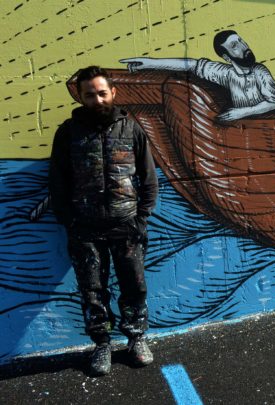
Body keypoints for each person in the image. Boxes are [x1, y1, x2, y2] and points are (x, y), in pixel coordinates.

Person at [49, 66, 158, 376]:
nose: (97, 99)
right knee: (92, 291)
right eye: (89, 94)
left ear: (113, 93)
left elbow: (149, 179)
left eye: (102, 92)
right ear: (80, 97)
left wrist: (142, 219)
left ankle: (136, 338)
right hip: (85, 229)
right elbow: (57, 182)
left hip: (127, 226)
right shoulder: (68, 133)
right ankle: (102, 344)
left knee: (134, 287)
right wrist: (70, 222)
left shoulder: (132, 129)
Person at [120, 30, 275, 122]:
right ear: (226, 57)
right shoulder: (226, 73)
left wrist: (241, 112)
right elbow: (192, 65)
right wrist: (150, 64)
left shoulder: (260, 71)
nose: (244, 46)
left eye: (241, 41)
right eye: (235, 45)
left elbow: (273, 103)